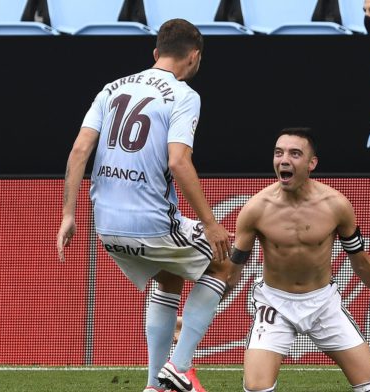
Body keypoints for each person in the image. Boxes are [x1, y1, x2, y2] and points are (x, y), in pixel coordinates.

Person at [56, 18, 236, 392]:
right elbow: (178, 162)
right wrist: (211, 222)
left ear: (155, 53)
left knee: (169, 276)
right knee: (227, 262)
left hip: (105, 226)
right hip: (151, 223)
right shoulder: (184, 94)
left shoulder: (111, 88)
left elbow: (79, 150)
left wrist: (68, 215)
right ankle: (179, 365)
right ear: (195, 57)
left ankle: (155, 386)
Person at [231, 128, 370, 392]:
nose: (284, 160)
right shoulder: (255, 210)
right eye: (278, 153)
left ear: (312, 163)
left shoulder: (336, 205)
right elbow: (231, 271)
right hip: (275, 304)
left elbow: (360, 261)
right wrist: (194, 317)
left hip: (323, 304)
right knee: (256, 390)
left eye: (295, 154)